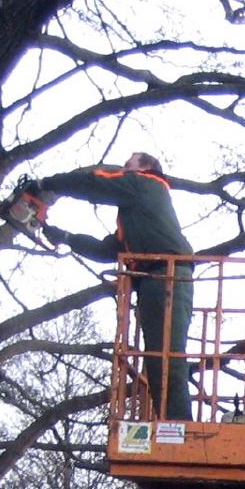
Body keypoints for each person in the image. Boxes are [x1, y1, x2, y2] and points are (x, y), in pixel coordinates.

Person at [38, 152, 195, 419]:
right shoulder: (137, 213)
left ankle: (180, 429)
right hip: (156, 278)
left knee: (166, 358)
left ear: (145, 168)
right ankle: (172, 424)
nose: (123, 168)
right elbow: (107, 249)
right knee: (158, 360)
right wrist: (66, 237)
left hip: (166, 275)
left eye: (128, 164)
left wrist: (47, 184)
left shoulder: (144, 184)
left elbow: (94, 183)